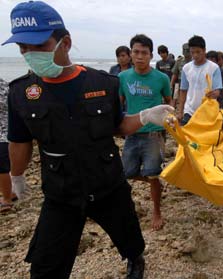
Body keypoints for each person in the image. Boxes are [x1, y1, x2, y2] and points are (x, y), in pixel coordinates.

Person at [3, 2, 174, 278]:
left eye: (39, 46)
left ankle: (136, 260)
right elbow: (20, 141)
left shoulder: (104, 83)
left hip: (107, 182)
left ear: (65, 43)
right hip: (61, 192)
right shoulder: (22, 93)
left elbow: (119, 126)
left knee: (129, 237)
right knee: (45, 267)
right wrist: (17, 176)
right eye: (23, 47)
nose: (30, 54)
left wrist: (144, 116)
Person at [119, 34, 172, 231]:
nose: (140, 56)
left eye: (144, 53)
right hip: (131, 133)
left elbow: (168, 101)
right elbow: (119, 103)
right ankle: (156, 180)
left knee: (151, 175)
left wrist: (169, 122)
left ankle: (157, 211)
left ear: (151, 55)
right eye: (136, 52)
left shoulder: (161, 78)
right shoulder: (123, 78)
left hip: (154, 135)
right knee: (127, 172)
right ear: (130, 54)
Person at [177, 35, 223, 125]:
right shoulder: (186, 68)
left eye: (198, 52)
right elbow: (183, 91)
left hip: (207, 112)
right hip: (189, 111)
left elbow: (218, 91)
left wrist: (213, 94)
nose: (195, 55)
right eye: (192, 52)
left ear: (204, 50)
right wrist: (180, 111)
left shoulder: (213, 68)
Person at [0, 78, 15, 213]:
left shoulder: (3, 86)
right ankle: (11, 193)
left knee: (2, 168)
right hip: (8, 132)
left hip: (3, 134)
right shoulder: (6, 84)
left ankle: (7, 199)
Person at [170, 42, 191, 108]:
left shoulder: (195, 61)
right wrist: (171, 84)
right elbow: (175, 73)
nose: (185, 52)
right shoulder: (179, 61)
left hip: (191, 83)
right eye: (184, 50)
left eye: (187, 50)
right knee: (176, 97)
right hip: (179, 82)